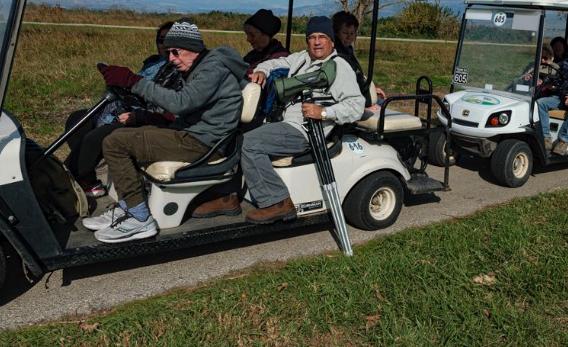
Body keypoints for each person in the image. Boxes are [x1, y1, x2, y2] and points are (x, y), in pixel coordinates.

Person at [82, 20, 246, 243]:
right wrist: (146, 116)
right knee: (119, 135)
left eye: (175, 52)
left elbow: (181, 103)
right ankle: (129, 206)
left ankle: (139, 220)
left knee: (115, 143)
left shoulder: (212, 69)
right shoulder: (198, 67)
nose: (170, 59)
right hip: (190, 135)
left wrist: (133, 81)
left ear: (193, 48)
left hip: (203, 144)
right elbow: (185, 110)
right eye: (168, 52)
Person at [231, 16, 365, 225]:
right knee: (234, 132)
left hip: (305, 130)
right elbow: (276, 62)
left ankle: (277, 202)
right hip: (283, 122)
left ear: (331, 40)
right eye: (312, 37)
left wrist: (323, 113)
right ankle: (230, 196)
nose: (317, 42)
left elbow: (356, 105)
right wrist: (261, 70)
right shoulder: (302, 58)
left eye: (322, 37)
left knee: (249, 143)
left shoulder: (339, 67)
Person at [63, 22, 181, 198]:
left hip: (151, 119)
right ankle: (87, 181)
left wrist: (138, 114)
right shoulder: (152, 63)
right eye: (161, 40)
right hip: (131, 109)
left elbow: (169, 106)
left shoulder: (179, 71)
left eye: (169, 40)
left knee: (98, 137)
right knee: (78, 119)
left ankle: (63, 180)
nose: (164, 45)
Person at [332, 10, 386, 108]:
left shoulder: (347, 51)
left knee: (383, 104)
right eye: (345, 33)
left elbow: (357, 77)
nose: (349, 37)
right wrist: (365, 107)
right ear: (336, 32)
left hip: (361, 98)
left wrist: (371, 88)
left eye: (352, 33)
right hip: (354, 104)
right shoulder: (337, 55)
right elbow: (346, 87)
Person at [242, 9, 288, 76]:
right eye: (247, 34)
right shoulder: (252, 55)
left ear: (266, 35)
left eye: (252, 35)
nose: (248, 39)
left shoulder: (282, 57)